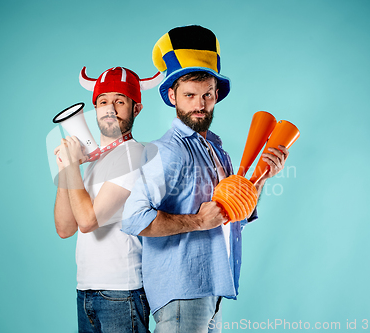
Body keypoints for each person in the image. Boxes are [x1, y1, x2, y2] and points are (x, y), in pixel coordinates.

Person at [121, 26, 290, 332]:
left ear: (216, 95)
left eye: (207, 95)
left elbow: (236, 213)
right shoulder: (169, 151)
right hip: (182, 290)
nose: (200, 105)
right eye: (190, 95)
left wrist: (262, 178)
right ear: (172, 96)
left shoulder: (217, 149)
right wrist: (197, 222)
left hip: (212, 287)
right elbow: (133, 219)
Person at [53, 66, 162, 333]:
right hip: (86, 289)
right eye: (103, 102)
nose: (110, 109)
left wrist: (71, 168)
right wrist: (68, 169)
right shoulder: (93, 162)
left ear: (136, 109)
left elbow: (89, 221)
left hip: (122, 291)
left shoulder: (134, 154)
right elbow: (65, 228)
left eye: (120, 101)